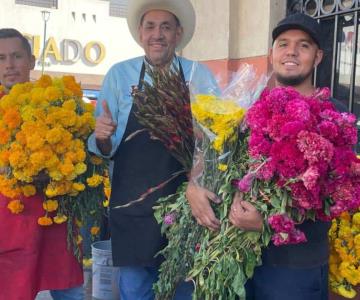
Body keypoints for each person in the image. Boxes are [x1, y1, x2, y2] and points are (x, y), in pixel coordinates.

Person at [186, 13, 348, 300]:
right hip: (236, 259)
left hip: (294, 266)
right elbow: (216, 157)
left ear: (318, 56)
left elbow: (335, 194)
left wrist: (273, 221)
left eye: (303, 45)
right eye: (283, 44)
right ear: (272, 54)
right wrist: (195, 184)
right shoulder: (248, 107)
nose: (292, 52)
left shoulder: (334, 116)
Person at [87, 0, 217, 299]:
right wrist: (103, 135)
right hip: (133, 207)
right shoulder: (119, 75)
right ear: (140, 33)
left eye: (166, 27)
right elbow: (104, 148)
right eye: (150, 26)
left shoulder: (199, 75)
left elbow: (217, 140)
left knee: (186, 288)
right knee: (135, 290)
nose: (157, 34)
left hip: (188, 206)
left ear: (178, 34)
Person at [0, 28, 84, 300]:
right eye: (1, 58)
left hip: (57, 221)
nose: (9, 65)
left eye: (16, 56)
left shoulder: (58, 102)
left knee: (68, 291)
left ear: (32, 61)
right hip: (11, 222)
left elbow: (84, 155)